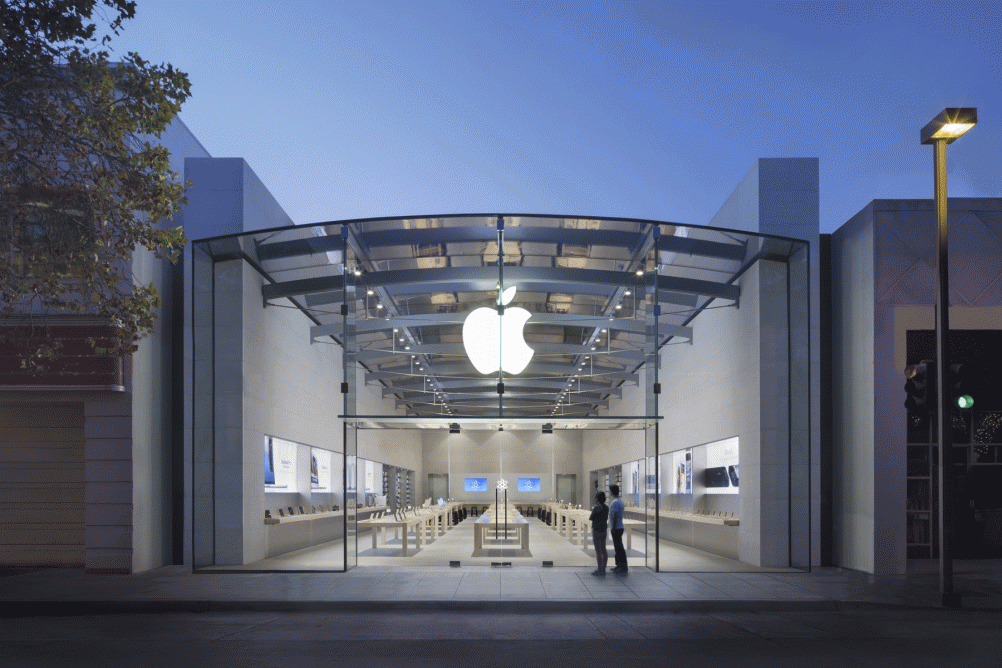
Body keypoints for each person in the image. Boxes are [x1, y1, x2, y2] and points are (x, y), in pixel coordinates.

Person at [608, 484, 627, 573]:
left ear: (612, 492)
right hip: (619, 527)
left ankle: (622, 566)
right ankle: (619, 565)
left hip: (617, 527)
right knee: (618, 547)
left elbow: (615, 516)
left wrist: (614, 528)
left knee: (618, 548)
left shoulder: (615, 502)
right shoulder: (620, 501)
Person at [589, 491, 609, 575]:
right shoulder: (606, 507)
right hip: (604, 530)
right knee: (604, 549)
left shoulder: (596, 508)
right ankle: (604, 568)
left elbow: (591, 518)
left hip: (596, 530)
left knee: (598, 551)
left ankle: (599, 569)